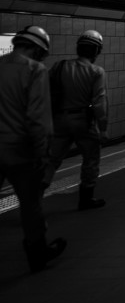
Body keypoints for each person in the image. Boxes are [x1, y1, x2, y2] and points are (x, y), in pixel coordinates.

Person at [0, 25, 67, 272]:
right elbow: (37, 117)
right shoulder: (34, 70)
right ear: (37, 49)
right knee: (30, 204)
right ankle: (37, 253)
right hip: (20, 149)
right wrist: (42, 152)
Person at [43, 30, 109, 210]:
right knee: (90, 159)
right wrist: (103, 128)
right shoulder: (96, 71)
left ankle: (35, 195)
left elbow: (46, 91)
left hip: (59, 120)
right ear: (97, 51)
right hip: (83, 121)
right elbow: (99, 102)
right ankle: (86, 198)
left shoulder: (59, 66)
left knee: (51, 159)